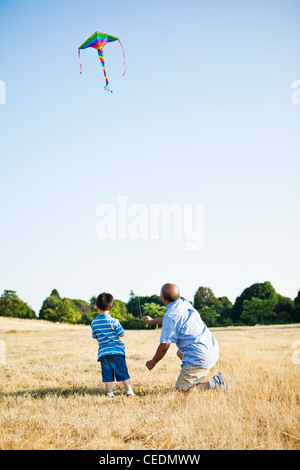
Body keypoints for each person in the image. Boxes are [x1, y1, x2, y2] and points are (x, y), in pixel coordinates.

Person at [142, 283, 228, 393]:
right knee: (179, 353)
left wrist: (152, 362)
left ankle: (215, 383)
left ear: (162, 298)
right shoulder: (184, 304)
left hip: (200, 357)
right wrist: (151, 321)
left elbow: (164, 346)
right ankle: (192, 375)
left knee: (181, 392)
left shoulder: (171, 315)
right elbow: (171, 318)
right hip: (212, 349)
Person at [91, 292, 134, 398]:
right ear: (111, 308)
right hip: (117, 352)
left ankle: (110, 394)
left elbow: (95, 336)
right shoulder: (114, 321)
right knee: (123, 373)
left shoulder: (94, 323)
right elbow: (121, 334)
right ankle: (129, 392)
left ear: (96, 306)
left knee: (107, 376)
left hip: (103, 353)